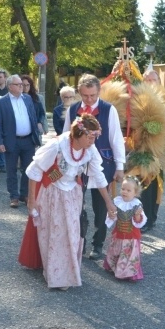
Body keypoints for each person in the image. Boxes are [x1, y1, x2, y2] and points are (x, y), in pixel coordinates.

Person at [24, 114, 116, 290]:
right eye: (90, 137)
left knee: (74, 235)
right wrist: (31, 201)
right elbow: (33, 171)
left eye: (95, 137)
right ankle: (56, 276)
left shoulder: (90, 150)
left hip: (73, 194)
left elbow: (98, 175)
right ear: (78, 134)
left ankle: (68, 272)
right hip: (52, 193)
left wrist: (109, 203)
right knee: (55, 235)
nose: (92, 141)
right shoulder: (57, 145)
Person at [62, 74, 126, 259]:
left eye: (92, 95)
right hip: (77, 165)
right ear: (79, 93)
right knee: (76, 206)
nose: (89, 100)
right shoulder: (73, 109)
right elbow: (66, 137)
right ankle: (78, 242)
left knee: (101, 208)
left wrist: (119, 166)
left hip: (103, 163)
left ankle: (97, 245)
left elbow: (116, 139)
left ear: (98, 92)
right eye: (85, 96)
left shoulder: (108, 109)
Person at [0, 74, 41, 207]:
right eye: (18, 84)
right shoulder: (2, 102)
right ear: (10, 87)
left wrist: (36, 137)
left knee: (28, 169)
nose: (21, 86)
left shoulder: (27, 99)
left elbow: (32, 118)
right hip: (11, 141)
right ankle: (13, 196)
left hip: (28, 141)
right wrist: (0, 142)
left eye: (22, 84)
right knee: (11, 170)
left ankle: (24, 194)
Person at [103, 175, 147, 281]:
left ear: (135, 193)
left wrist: (137, 215)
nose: (125, 192)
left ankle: (127, 272)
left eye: (128, 190)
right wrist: (111, 215)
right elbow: (111, 215)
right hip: (118, 234)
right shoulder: (117, 201)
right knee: (116, 251)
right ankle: (114, 267)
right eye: (123, 189)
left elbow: (141, 220)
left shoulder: (137, 205)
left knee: (128, 255)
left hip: (131, 236)